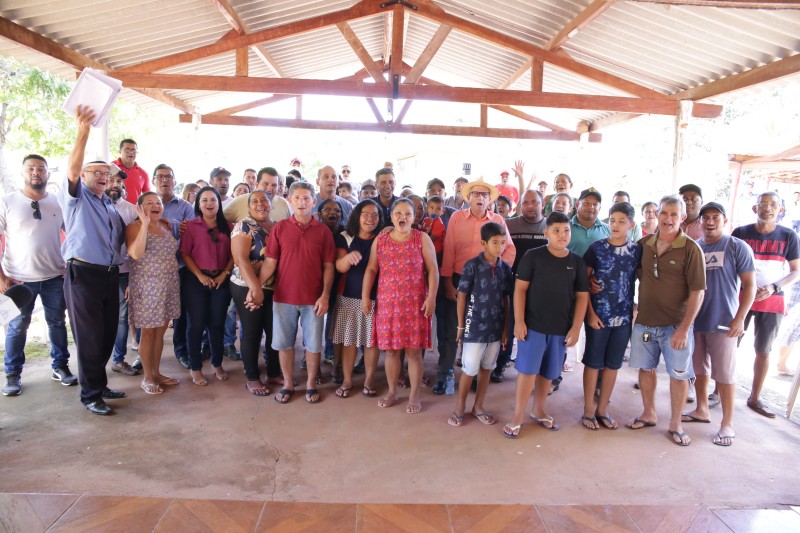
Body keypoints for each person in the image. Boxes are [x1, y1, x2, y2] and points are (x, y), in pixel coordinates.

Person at [59, 106, 127, 415]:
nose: (103, 178)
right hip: (83, 274)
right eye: (96, 173)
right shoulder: (77, 198)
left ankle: (98, 384)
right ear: (85, 176)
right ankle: (89, 395)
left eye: (106, 174)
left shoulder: (109, 205)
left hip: (109, 274)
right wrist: (83, 130)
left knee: (107, 332)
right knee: (88, 336)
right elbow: (72, 169)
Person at [627, 195, 706, 447]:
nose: (668, 218)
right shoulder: (644, 244)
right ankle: (649, 414)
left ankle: (675, 424)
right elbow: (631, 273)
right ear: (656, 215)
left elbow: (698, 292)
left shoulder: (691, 248)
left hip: (676, 327)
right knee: (646, 368)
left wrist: (685, 328)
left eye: (674, 214)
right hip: (645, 324)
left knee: (679, 375)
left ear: (682, 218)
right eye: (664, 213)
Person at [503, 211, 589, 438]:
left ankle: (539, 410)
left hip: (560, 328)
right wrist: (519, 321)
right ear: (546, 233)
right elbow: (519, 289)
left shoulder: (576, 262)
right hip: (533, 326)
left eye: (566, 230)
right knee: (527, 371)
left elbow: (582, 297)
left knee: (548, 373)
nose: (562, 235)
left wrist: (576, 328)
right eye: (557, 231)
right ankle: (518, 416)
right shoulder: (533, 256)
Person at [1, 154, 74, 397]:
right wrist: (1, 277)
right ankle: (12, 374)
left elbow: (74, 236)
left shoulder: (57, 203)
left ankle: (60, 367)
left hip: (54, 276)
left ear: (47, 174)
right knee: (17, 326)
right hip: (18, 279)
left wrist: (70, 266)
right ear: (23, 173)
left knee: (56, 323)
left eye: (41, 169)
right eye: (30, 168)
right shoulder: (8, 202)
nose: (36, 172)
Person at [683, 202, 755, 446]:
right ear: (699, 222)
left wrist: (740, 318)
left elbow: (750, 285)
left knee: (724, 375)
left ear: (724, 221)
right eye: (706, 218)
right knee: (699, 370)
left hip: (725, 323)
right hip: (697, 321)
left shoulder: (736, 246)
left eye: (715, 217)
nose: (710, 222)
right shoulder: (694, 248)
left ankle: (727, 424)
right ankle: (701, 410)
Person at [259, 181, 335, 404]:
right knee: (284, 344)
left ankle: (311, 384)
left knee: (313, 345)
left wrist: (325, 295)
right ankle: (288, 384)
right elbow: (270, 263)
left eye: (306, 198)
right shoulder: (280, 228)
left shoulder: (323, 232)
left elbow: (329, 266)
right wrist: (255, 287)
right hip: (284, 298)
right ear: (290, 201)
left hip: (314, 300)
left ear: (313, 202)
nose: (302, 202)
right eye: (297, 198)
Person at [438, 177, 516, 395]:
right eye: (475, 194)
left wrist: (495, 270)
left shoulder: (498, 220)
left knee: (480, 333)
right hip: (457, 280)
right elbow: (449, 249)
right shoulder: (456, 218)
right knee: (453, 329)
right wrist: (446, 281)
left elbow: (509, 250)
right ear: (468, 197)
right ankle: (445, 375)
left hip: (486, 286)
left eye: (484, 194)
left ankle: (472, 377)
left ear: (490, 199)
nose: (480, 198)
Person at [363, 199, 438, 413]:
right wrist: (365, 296)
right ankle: (392, 391)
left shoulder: (421, 239)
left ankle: (414, 395)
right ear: (391, 216)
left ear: (414, 217)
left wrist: (431, 297)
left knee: (414, 352)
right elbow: (371, 269)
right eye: (397, 213)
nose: (402, 217)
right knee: (392, 352)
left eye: (407, 213)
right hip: (388, 303)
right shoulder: (382, 239)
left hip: (415, 304)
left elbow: (433, 270)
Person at [732, 191, 800, 418]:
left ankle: (755, 397)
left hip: (772, 301)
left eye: (773, 205)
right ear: (754, 208)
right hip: (741, 298)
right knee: (729, 345)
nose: (767, 208)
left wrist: (773, 288)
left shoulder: (789, 236)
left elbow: (795, 271)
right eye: (763, 204)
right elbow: (731, 266)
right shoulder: (741, 233)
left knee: (763, 350)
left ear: (780, 210)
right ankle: (717, 392)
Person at [581, 202, 641, 430]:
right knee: (593, 363)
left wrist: (637, 311)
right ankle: (588, 411)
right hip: (599, 317)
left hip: (623, 319)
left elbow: (644, 281)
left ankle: (602, 410)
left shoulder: (636, 250)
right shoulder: (596, 248)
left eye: (621, 221)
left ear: (631, 225)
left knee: (613, 365)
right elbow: (584, 284)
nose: (615, 225)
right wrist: (590, 313)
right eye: (612, 220)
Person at [448, 222, 513, 427]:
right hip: (474, 326)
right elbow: (462, 296)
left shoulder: (505, 269)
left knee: (487, 368)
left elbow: (506, 299)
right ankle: (460, 407)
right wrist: (460, 326)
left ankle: (478, 406)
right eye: (495, 242)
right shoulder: (472, 266)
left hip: (495, 328)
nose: (499, 247)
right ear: (484, 243)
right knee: (469, 369)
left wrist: (505, 329)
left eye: (502, 243)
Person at [126, 192, 181, 395]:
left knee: (160, 332)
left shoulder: (165, 226)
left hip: (168, 285)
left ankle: (157, 373)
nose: (155, 205)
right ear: (140, 208)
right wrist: (145, 223)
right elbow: (136, 253)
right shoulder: (135, 227)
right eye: (149, 203)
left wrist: (154, 223)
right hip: (147, 287)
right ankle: (147, 377)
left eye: (158, 202)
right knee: (148, 333)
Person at [180, 186, 234, 386]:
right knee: (196, 325)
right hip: (196, 281)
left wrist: (224, 274)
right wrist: (200, 275)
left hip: (221, 280)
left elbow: (233, 255)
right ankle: (195, 367)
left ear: (219, 203)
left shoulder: (228, 226)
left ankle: (217, 363)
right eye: (204, 200)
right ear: (198, 204)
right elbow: (185, 253)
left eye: (213, 199)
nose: (209, 203)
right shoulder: (191, 226)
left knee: (217, 324)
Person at [331, 199, 385, 398]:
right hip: (348, 297)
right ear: (357, 216)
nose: (370, 218)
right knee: (349, 341)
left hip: (377, 297)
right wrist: (346, 260)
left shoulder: (383, 238)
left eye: (375, 215)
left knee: (372, 343)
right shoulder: (345, 237)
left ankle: (369, 379)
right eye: (366, 214)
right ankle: (347, 380)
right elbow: (338, 266)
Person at [230, 190, 281, 396]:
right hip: (246, 287)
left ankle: (274, 372)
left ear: (271, 204)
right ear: (248, 206)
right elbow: (241, 260)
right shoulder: (244, 226)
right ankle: (252, 377)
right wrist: (255, 288)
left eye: (264, 200)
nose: (260, 204)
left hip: (275, 287)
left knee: (274, 331)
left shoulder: (279, 226)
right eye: (255, 201)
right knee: (252, 332)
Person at [494, 189, 547, 383]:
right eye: (526, 203)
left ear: (542, 204)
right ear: (520, 205)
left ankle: (534, 370)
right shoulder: (509, 225)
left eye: (534, 202)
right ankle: (501, 363)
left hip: (541, 288)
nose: (530, 206)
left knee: (535, 330)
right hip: (512, 284)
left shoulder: (550, 227)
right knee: (508, 325)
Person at [153, 165, 195, 370]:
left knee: (181, 313)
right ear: (153, 181)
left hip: (179, 266)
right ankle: (146, 356)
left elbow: (191, 234)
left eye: (169, 177)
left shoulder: (186, 206)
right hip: (151, 272)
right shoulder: (146, 203)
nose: (164, 180)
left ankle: (181, 351)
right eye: (160, 177)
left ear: (175, 181)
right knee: (151, 313)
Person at [105, 169, 140, 377]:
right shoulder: (93, 206)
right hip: (98, 272)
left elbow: (138, 244)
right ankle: (97, 362)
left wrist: (133, 278)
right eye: (111, 179)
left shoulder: (131, 210)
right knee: (99, 318)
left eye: (119, 181)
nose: (115, 184)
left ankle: (118, 359)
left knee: (122, 317)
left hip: (124, 272)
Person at [224, 167, 290, 224]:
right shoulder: (241, 201)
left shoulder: (283, 204)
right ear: (257, 184)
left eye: (274, 185)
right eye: (265, 184)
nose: (269, 189)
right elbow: (219, 221)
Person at [113, 138, 150, 205]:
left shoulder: (143, 174)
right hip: (111, 210)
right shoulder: (110, 168)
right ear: (120, 151)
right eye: (127, 150)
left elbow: (148, 197)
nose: (131, 153)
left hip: (134, 213)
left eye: (133, 150)